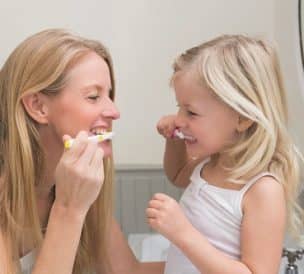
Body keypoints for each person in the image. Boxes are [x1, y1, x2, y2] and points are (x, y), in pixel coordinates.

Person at [0, 29, 164, 274]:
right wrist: (68, 210)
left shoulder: (73, 186)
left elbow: (129, 271)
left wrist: (213, 262)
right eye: (93, 96)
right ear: (38, 106)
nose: (114, 111)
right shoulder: (70, 195)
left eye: (109, 95)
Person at [146, 35, 304, 274]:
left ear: (242, 118)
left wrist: (183, 234)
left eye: (191, 112)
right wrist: (174, 141)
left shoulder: (262, 190)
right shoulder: (211, 162)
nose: (179, 118)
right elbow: (178, 175)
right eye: (179, 107)